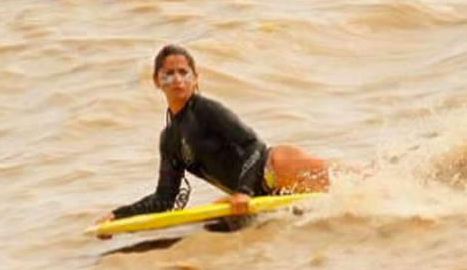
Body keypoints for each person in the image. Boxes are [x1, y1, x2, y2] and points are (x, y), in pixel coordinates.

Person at [97, 44, 329, 235]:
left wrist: (243, 191)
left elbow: (253, 145)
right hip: (260, 195)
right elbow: (164, 199)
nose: (177, 80)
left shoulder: (206, 110)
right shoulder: (169, 139)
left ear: (195, 78)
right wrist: (119, 216)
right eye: (168, 74)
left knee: (356, 184)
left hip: (277, 168)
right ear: (157, 81)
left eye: (183, 72)